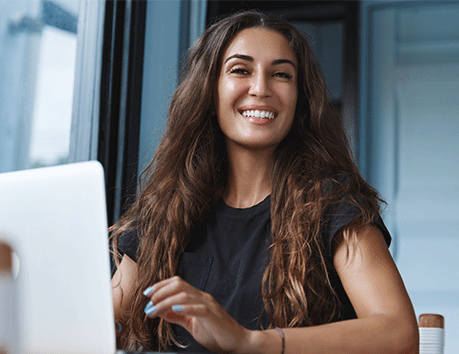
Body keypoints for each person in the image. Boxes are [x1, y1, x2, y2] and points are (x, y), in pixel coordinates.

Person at [110, 10, 419, 354]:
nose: (261, 88)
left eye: (281, 75)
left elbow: (399, 333)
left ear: (300, 100)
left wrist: (250, 341)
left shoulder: (334, 204)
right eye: (240, 70)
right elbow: (101, 324)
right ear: (209, 95)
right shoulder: (164, 214)